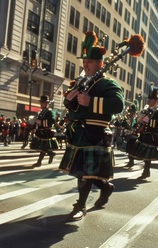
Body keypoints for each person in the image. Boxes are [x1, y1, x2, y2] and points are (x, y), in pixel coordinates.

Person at [58, 31, 124, 221]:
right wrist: (70, 101)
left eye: (91, 62)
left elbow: (118, 105)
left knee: (85, 174)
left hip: (96, 131)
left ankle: (80, 206)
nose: (86, 65)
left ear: (100, 64)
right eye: (85, 62)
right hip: (77, 132)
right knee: (85, 171)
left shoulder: (108, 84)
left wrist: (91, 101)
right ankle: (106, 187)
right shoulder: (80, 82)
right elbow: (73, 107)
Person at [125, 86, 158, 179]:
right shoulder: (146, 110)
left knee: (147, 156)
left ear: (156, 101)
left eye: (151, 99)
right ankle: (143, 169)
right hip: (143, 135)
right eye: (149, 98)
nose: (149, 100)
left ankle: (146, 171)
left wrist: (148, 120)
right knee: (141, 153)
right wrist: (138, 121)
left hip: (151, 136)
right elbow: (138, 122)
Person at [30, 95, 59, 167]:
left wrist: (42, 122)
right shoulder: (41, 112)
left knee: (43, 148)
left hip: (47, 132)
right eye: (41, 102)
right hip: (41, 131)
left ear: (46, 103)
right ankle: (51, 154)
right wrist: (33, 127)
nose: (41, 104)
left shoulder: (50, 112)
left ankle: (39, 162)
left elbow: (52, 121)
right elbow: (37, 121)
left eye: (42, 103)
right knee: (44, 147)